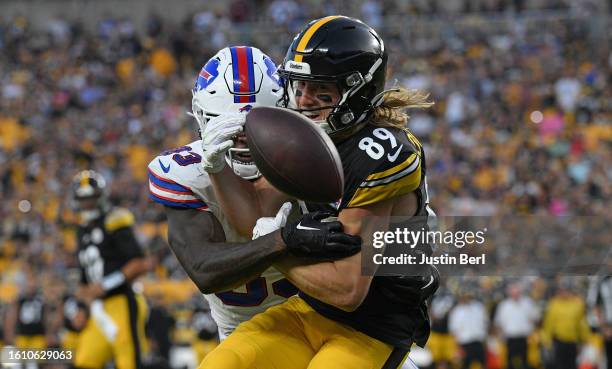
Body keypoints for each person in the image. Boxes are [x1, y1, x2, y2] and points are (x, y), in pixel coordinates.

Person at [199, 15, 438, 369]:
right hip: (310, 307)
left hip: (374, 325)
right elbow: (253, 216)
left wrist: (275, 246)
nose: (304, 101)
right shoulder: (307, 139)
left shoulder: (381, 153)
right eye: (299, 87)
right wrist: (215, 167)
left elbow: (346, 291)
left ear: (358, 93)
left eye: (321, 91)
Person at [146, 46, 360, 340]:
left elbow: (384, 250)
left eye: (254, 125)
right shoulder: (186, 174)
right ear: (200, 118)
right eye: (226, 126)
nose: (242, 139)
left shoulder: (318, 159)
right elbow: (204, 269)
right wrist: (283, 240)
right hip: (242, 335)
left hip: (331, 322)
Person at [70, 170, 151, 369]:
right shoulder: (81, 230)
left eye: (91, 198)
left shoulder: (115, 220)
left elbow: (139, 263)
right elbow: (84, 278)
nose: (87, 204)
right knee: (85, 360)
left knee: (128, 362)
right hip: (97, 308)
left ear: (101, 197)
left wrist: (106, 284)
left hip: (121, 301)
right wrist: (81, 307)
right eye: (83, 199)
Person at [494, 283, 540, 369]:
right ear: (509, 293)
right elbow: (498, 323)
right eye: (513, 293)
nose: (515, 295)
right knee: (510, 361)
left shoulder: (528, 303)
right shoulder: (504, 305)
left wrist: (534, 332)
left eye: (517, 292)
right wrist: (500, 336)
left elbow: (536, 318)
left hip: (525, 337)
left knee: (526, 361)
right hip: (510, 337)